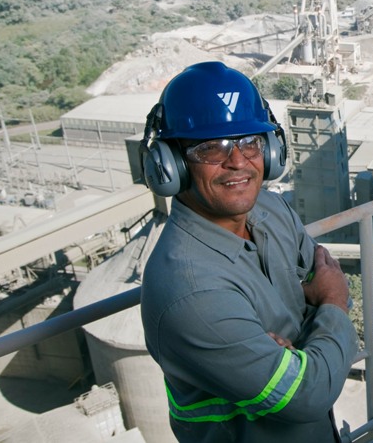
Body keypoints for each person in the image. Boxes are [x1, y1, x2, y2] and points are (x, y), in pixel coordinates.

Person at [139, 61, 358, 443]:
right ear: (171, 164)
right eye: (210, 147)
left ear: (271, 150)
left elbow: (324, 277)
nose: (238, 160)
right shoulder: (191, 293)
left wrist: (299, 352)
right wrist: (332, 304)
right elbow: (308, 393)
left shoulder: (272, 210)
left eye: (250, 141)